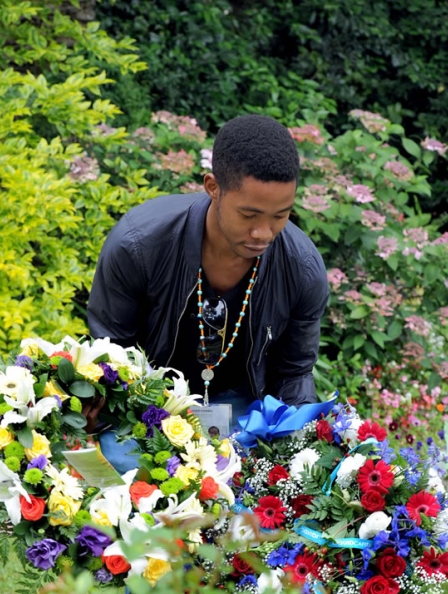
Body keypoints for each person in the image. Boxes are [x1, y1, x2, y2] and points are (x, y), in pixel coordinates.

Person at [87, 114, 329, 430]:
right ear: (213, 187)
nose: (263, 233)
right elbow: (112, 351)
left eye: (280, 216)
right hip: (148, 401)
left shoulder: (302, 267)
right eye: (249, 215)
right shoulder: (138, 244)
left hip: (246, 410)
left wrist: (297, 444)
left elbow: (295, 372)